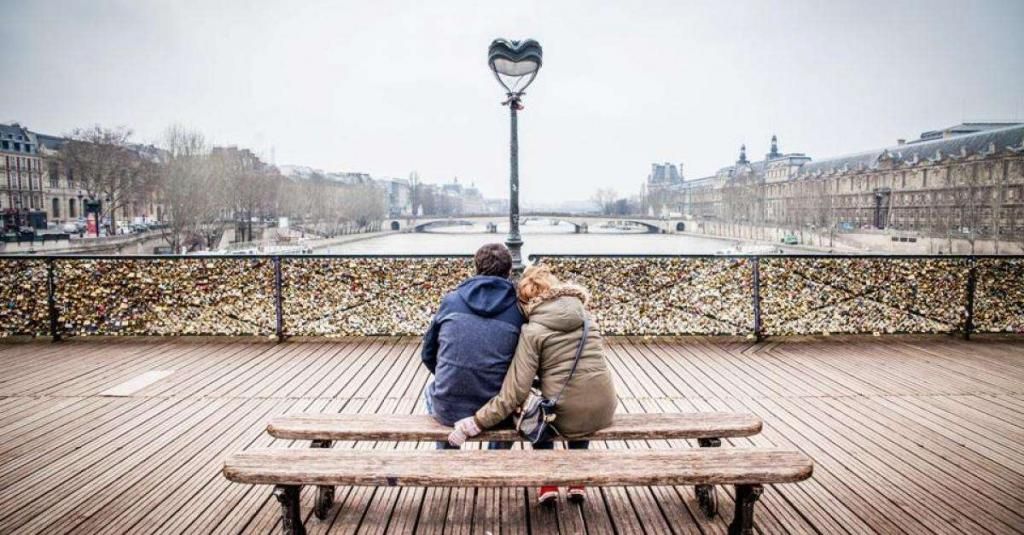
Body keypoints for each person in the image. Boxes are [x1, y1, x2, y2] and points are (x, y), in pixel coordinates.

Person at [447, 265, 617, 505]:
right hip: (604, 407)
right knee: (581, 396)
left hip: (565, 415)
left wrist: (475, 422)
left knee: (536, 410)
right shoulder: (587, 319)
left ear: (526, 302)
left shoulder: (533, 330)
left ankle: (548, 481)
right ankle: (577, 480)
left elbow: (515, 391)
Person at [421, 243, 525, 450]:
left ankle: (447, 454)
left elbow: (428, 353)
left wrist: (451, 373)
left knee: (430, 390)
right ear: (509, 271)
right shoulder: (518, 309)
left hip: (449, 407)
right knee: (506, 405)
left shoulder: (451, 301)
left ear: (476, 267)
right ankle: (496, 460)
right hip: (496, 409)